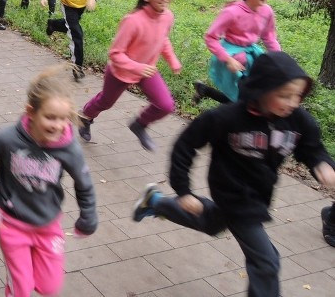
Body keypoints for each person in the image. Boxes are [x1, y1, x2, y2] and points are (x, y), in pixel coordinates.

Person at [132, 51, 335, 297]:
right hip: (233, 193)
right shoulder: (226, 118)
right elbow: (185, 146)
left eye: (298, 96)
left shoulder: (298, 120)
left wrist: (322, 165)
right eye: (284, 95)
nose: (292, 102)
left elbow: (312, 148)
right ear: (261, 90)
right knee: (266, 261)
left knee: (210, 222)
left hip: (259, 193)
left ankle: (155, 202)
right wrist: (183, 189)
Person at [0, 65, 98, 297]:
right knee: (21, 289)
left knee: (50, 288)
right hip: (11, 225)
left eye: (64, 119)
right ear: (31, 112)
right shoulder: (8, 139)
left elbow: (84, 184)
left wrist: (88, 217)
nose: (58, 126)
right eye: (50, 117)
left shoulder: (69, 148)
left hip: (47, 226)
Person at [77, 0, 182, 151]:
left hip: (146, 70)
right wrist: (137, 66)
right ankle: (85, 116)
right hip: (121, 71)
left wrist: (172, 60)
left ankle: (139, 124)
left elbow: (162, 39)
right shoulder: (133, 20)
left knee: (166, 105)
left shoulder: (168, 16)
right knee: (106, 102)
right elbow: (115, 53)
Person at [194, 0, 280, 105]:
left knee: (248, 95)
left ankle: (205, 91)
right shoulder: (232, 12)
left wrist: (278, 58)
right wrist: (228, 60)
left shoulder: (267, 11)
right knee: (242, 98)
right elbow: (210, 37)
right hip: (232, 56)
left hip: (252, 54)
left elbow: (269, 36)